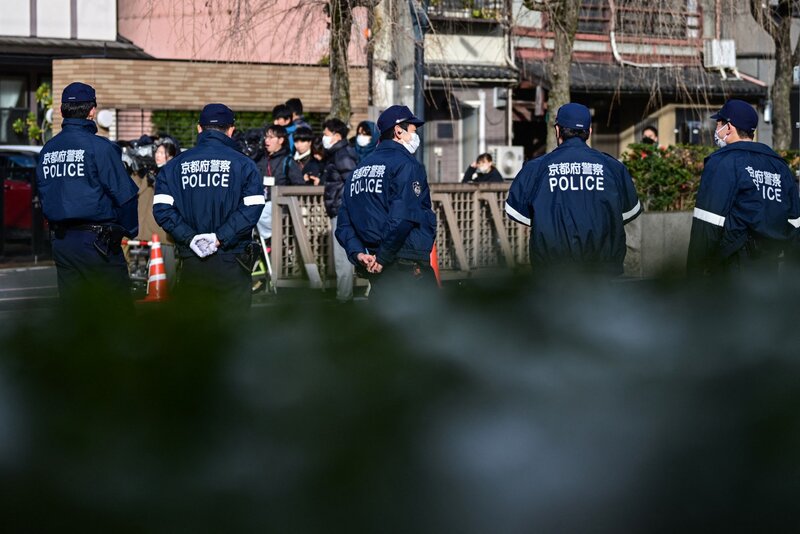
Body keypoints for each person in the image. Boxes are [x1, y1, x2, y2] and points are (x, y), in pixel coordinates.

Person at [505, 102, 642, 275]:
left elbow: (516, 211)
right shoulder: (614, 168)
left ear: (557, 130)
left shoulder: (536, 168)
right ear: (589, 132)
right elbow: (628, 212)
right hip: (603, 272)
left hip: (552, 273)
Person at [153, 103, 265, 307]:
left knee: (196, 321)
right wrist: (220, 237)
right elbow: (252, 208)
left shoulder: (174, 166)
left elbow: (162, 210)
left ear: (199, 128)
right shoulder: (245, 165)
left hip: (191, 260)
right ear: (231, 130)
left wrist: (190, 237)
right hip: (232, 259)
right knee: (234, 322)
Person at [36, 82, 139, 299]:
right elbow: (125, 196)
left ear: (62, 110)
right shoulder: (100, 148)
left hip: (62, 242)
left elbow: (45, 193)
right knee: (114, 308)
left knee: (74, 309)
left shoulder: (48, 150)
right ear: (92, 111)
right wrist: (127, 230)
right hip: (97, 242)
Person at [687, 99, 800, 276]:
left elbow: (707, 223)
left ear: (729, 127)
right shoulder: (780, 166)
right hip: (770, 266)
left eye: (719, 124)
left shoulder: (722, 162)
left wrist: (693, 275)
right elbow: (795, 221)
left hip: (732, 267)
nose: (716, 129)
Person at [335, 105, 437, 297]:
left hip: (373, 261)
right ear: (398, 131)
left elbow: (344, 224)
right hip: (405, 262)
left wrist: (358, 254)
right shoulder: (407, 165)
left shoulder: (358, 170)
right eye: (413, 130)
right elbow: (403, 217)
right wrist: (383, 257)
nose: (415, 136)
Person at [322, 117, 359, 302]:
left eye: (326, 134)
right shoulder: (340, 153)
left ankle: (344, 297)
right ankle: (345, 294)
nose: (324, 137)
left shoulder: (341, 155)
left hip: (342, 210)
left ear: (336, 136)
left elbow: (352, 182)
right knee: (344, 254)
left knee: (342, 256)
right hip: (341, 208)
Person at [135, 137, 179, 287]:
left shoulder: (172, 172)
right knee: (154, 261)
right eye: (157, 152)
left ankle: (168, 290)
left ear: (170, 156)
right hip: (151, 226)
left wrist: (156, 181)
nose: (158, 155)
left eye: (162, 153)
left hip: (163, 228)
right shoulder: (152, 171)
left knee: (166, 261)